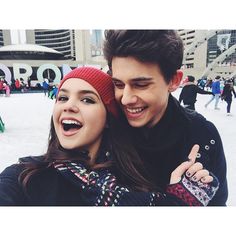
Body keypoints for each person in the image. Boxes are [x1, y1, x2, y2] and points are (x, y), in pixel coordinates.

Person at [0, 67, 218, 206]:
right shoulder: (23, 178)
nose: (69, 107)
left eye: (87, 100)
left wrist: (177, 201)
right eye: (62, 98)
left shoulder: (138, 182)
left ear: (108, 119)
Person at [103, 30, 228, 205]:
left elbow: (218, 205)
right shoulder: (103, 129)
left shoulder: (203, 135)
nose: (126, 98)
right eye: (118, 84)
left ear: (174, 81)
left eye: (140, 84)